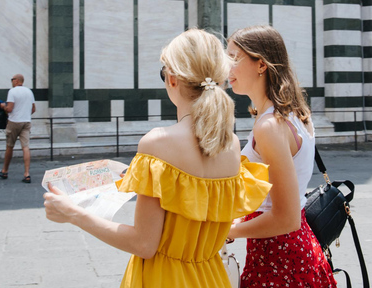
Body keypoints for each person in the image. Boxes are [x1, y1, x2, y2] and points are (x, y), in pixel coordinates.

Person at [44, 29, 271, 288]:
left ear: (172, 78)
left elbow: (143, 244)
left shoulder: (157, 143)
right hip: (211, 277)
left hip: (162, 279)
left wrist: (73, 214)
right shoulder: (230, 144)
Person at [225, 25, 337, 288]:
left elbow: (285, 217)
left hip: (278, 258)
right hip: (295, 249)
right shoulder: (294, 113)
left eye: (234, 58)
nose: (226, 68)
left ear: (261, 64)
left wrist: (227, 232)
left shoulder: (269, 126)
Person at [0, 74, 35, 183]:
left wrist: (3, 106)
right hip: (26, 121)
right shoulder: (29, 91)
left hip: (14, 122)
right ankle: (27, 174)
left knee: (9, 146)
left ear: (17, 81)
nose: (12, 81)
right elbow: (33, 109)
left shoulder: (12, 91)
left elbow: (9, 109)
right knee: (26, 147)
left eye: (12, 79)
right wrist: (25, 114)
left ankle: (5, 171)